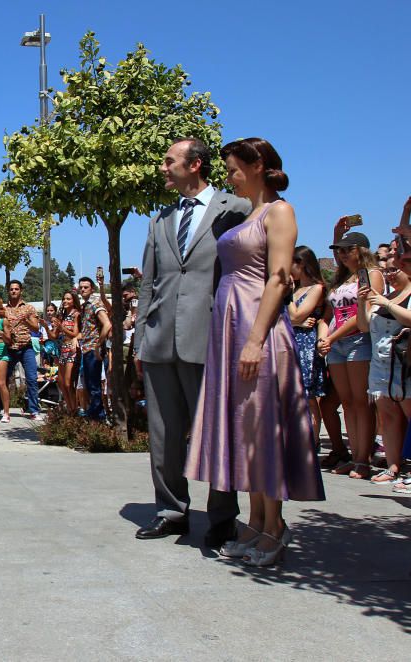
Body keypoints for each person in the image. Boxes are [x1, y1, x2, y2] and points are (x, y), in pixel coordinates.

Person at [186, 137, 325, 566]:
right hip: (231, 329)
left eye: (232, 169)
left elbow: (280, 278)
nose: (229, 177)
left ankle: (274, 525)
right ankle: (255, 519)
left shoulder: (280, 211)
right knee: (243, 429)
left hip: (255, 329)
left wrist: (254, 338)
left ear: (257, 164)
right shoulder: (252, 213)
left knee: (261, 427)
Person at [133, 137, 251, 546]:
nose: (162, 168)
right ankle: (171, 510)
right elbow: (149, 283)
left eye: (169, 161)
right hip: (160, 340)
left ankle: (222, 516)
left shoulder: (235, 210)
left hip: (212, 338)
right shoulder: (158, 220)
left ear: (195, 164)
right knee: (163, 434)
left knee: (217, 433)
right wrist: (140, 341)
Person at [316, 226, 382, 479]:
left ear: (361, 250)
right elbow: (329, 315)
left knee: (361, 403)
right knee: (349, 403)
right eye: (339, 250)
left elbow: (362, 313)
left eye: (347, 249)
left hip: (358, 341)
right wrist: (325, 336)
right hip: (336, 345)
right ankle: (355, 457)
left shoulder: (371, 274)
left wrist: (331, 337)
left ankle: (363, 460)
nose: (342, 255)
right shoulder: (342, 280)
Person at [357, 252, 411, 483]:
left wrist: (387, 303)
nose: (388, 275)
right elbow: (363, 326)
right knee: (388, 416)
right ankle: (392, 465)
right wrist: (362, 303)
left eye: (393, 270)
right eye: (386, 270)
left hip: (405, 365)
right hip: (380, 365)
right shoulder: (384, 296)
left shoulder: (400, 297)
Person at [287, 246, 328, 441]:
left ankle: (313, 440)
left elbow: (296, 314)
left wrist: (287, 295)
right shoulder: (295, 288)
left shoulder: (317, 288)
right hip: (290, 340)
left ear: (301, 263)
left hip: (306, 345)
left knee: (308, 397)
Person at [3, 279, 41, 419]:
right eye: (11, 289)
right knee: (2, 379)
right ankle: (0, 409)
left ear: (21, 291)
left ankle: (33, 410)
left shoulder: (29, 308)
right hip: (9, 348)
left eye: (16, 289)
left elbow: (36, 328)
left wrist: (26, 320)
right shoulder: (4, 309)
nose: (13, 291)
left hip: (26, 348)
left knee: (31, 379)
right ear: (8, 291)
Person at [76, 277, 112, 420]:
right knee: (90, 385)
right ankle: (96, 416)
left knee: (94, 385)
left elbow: (107, 324)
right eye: (81, 287)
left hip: (93, 349)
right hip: (86, 348)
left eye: (86, 287)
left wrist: (98, 344)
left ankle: (98, 418)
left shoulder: (95, 303)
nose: (83, 289)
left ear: (92, 289)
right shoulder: (85, 306)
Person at [56, 290, 80, 414]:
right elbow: (54, 336)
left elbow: (75, 334)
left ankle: (74, 409)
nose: (65, 301)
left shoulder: (76, 314)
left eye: (68, 299)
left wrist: (62, 328)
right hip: (62, 349)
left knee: (68, 382)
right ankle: (69, 407)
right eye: (64, 299)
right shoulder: (62, 315)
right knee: (60, 381)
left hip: (72, 349)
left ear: (74, 301)